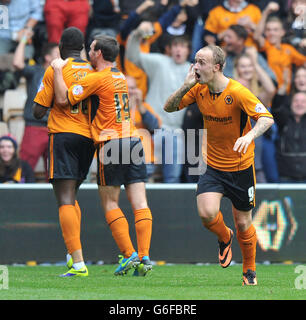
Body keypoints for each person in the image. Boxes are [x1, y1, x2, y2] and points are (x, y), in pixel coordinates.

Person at [163, 45, 274, 285]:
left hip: (241, 167)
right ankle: (225, 237)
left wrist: (248, 136)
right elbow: (169, 107)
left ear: (217, 67)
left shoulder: (238, 92)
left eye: (201, 62)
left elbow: (266, 118)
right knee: (206, 214)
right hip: (213, 166)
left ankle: (249, 270)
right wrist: (185, 85)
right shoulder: (198, 89)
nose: (196, 66)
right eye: (195, 61)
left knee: (244, 222)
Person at [51, 35, 153, 277]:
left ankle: (129, 254)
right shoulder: (121, 76)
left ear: (97, 53)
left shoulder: (96, 78)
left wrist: (57, 70)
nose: (87, 52)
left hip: (112, 142)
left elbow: (64, 98)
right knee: (140, 202)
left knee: (110, 202)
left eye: (91, 48)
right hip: (134, 139)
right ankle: (145, 255)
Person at [33, 27, 95, 277]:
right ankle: (73, 254)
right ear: (83, 47)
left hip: (63, 135)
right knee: (73, 196)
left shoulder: (55, 69)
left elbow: (37, 111)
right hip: (88, 138)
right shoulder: (94, 70)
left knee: (65, 200)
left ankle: (78, 263)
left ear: (60, 47)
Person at [126, 23, 191, 183]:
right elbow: (133, 56)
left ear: (188, 50)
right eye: (175, 46)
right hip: (153, 130)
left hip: (177, 132)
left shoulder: (193, 71)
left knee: (173, 179)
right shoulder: (159, 62)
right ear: (169, 49)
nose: (178, 50)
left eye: (182, 47)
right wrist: (137, 34)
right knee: (144, 177)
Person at [13, 34, 60, 178]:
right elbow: (17, 63)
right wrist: (23, 39)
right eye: (58, 54)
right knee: (24, 169)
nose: (62, 57)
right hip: (34, 126)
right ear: (47, 57)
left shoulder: (64, 74)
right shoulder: (36, 71)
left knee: (55, 174)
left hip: (56, 128)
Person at [233, 47, 276, 183]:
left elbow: (270, 89)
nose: (246, 69)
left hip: (257, 151)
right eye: (243, 66)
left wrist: (255, 62)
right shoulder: (230, 88)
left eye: (249, 66)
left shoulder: (259, 94)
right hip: (234, 149)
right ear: (237, 69)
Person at [253, 1, 306, 94]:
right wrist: (266, 12)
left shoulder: (288, 49)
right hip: (267, 92)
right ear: (265, 33)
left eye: (275, 30)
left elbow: (303, 61)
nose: (272, 33)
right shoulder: (266, 46)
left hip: (285, 94)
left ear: (282, 32)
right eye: (268, 30)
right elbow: (256, 36)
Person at [126, 75, 161, 180]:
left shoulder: (145, 107)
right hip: (121, 159)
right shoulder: (115, 107)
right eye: (127, 88)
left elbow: (155, 127)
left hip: (145, 161)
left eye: (133, 88)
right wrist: (129, 108)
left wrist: (140, 106)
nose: (130, 91)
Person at [272, 91, 306, 182]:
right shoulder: (283, 120)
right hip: (286, 176)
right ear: (290, 104)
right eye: (296, 101)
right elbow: (276, 106)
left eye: (303, 101)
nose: (299, 104)